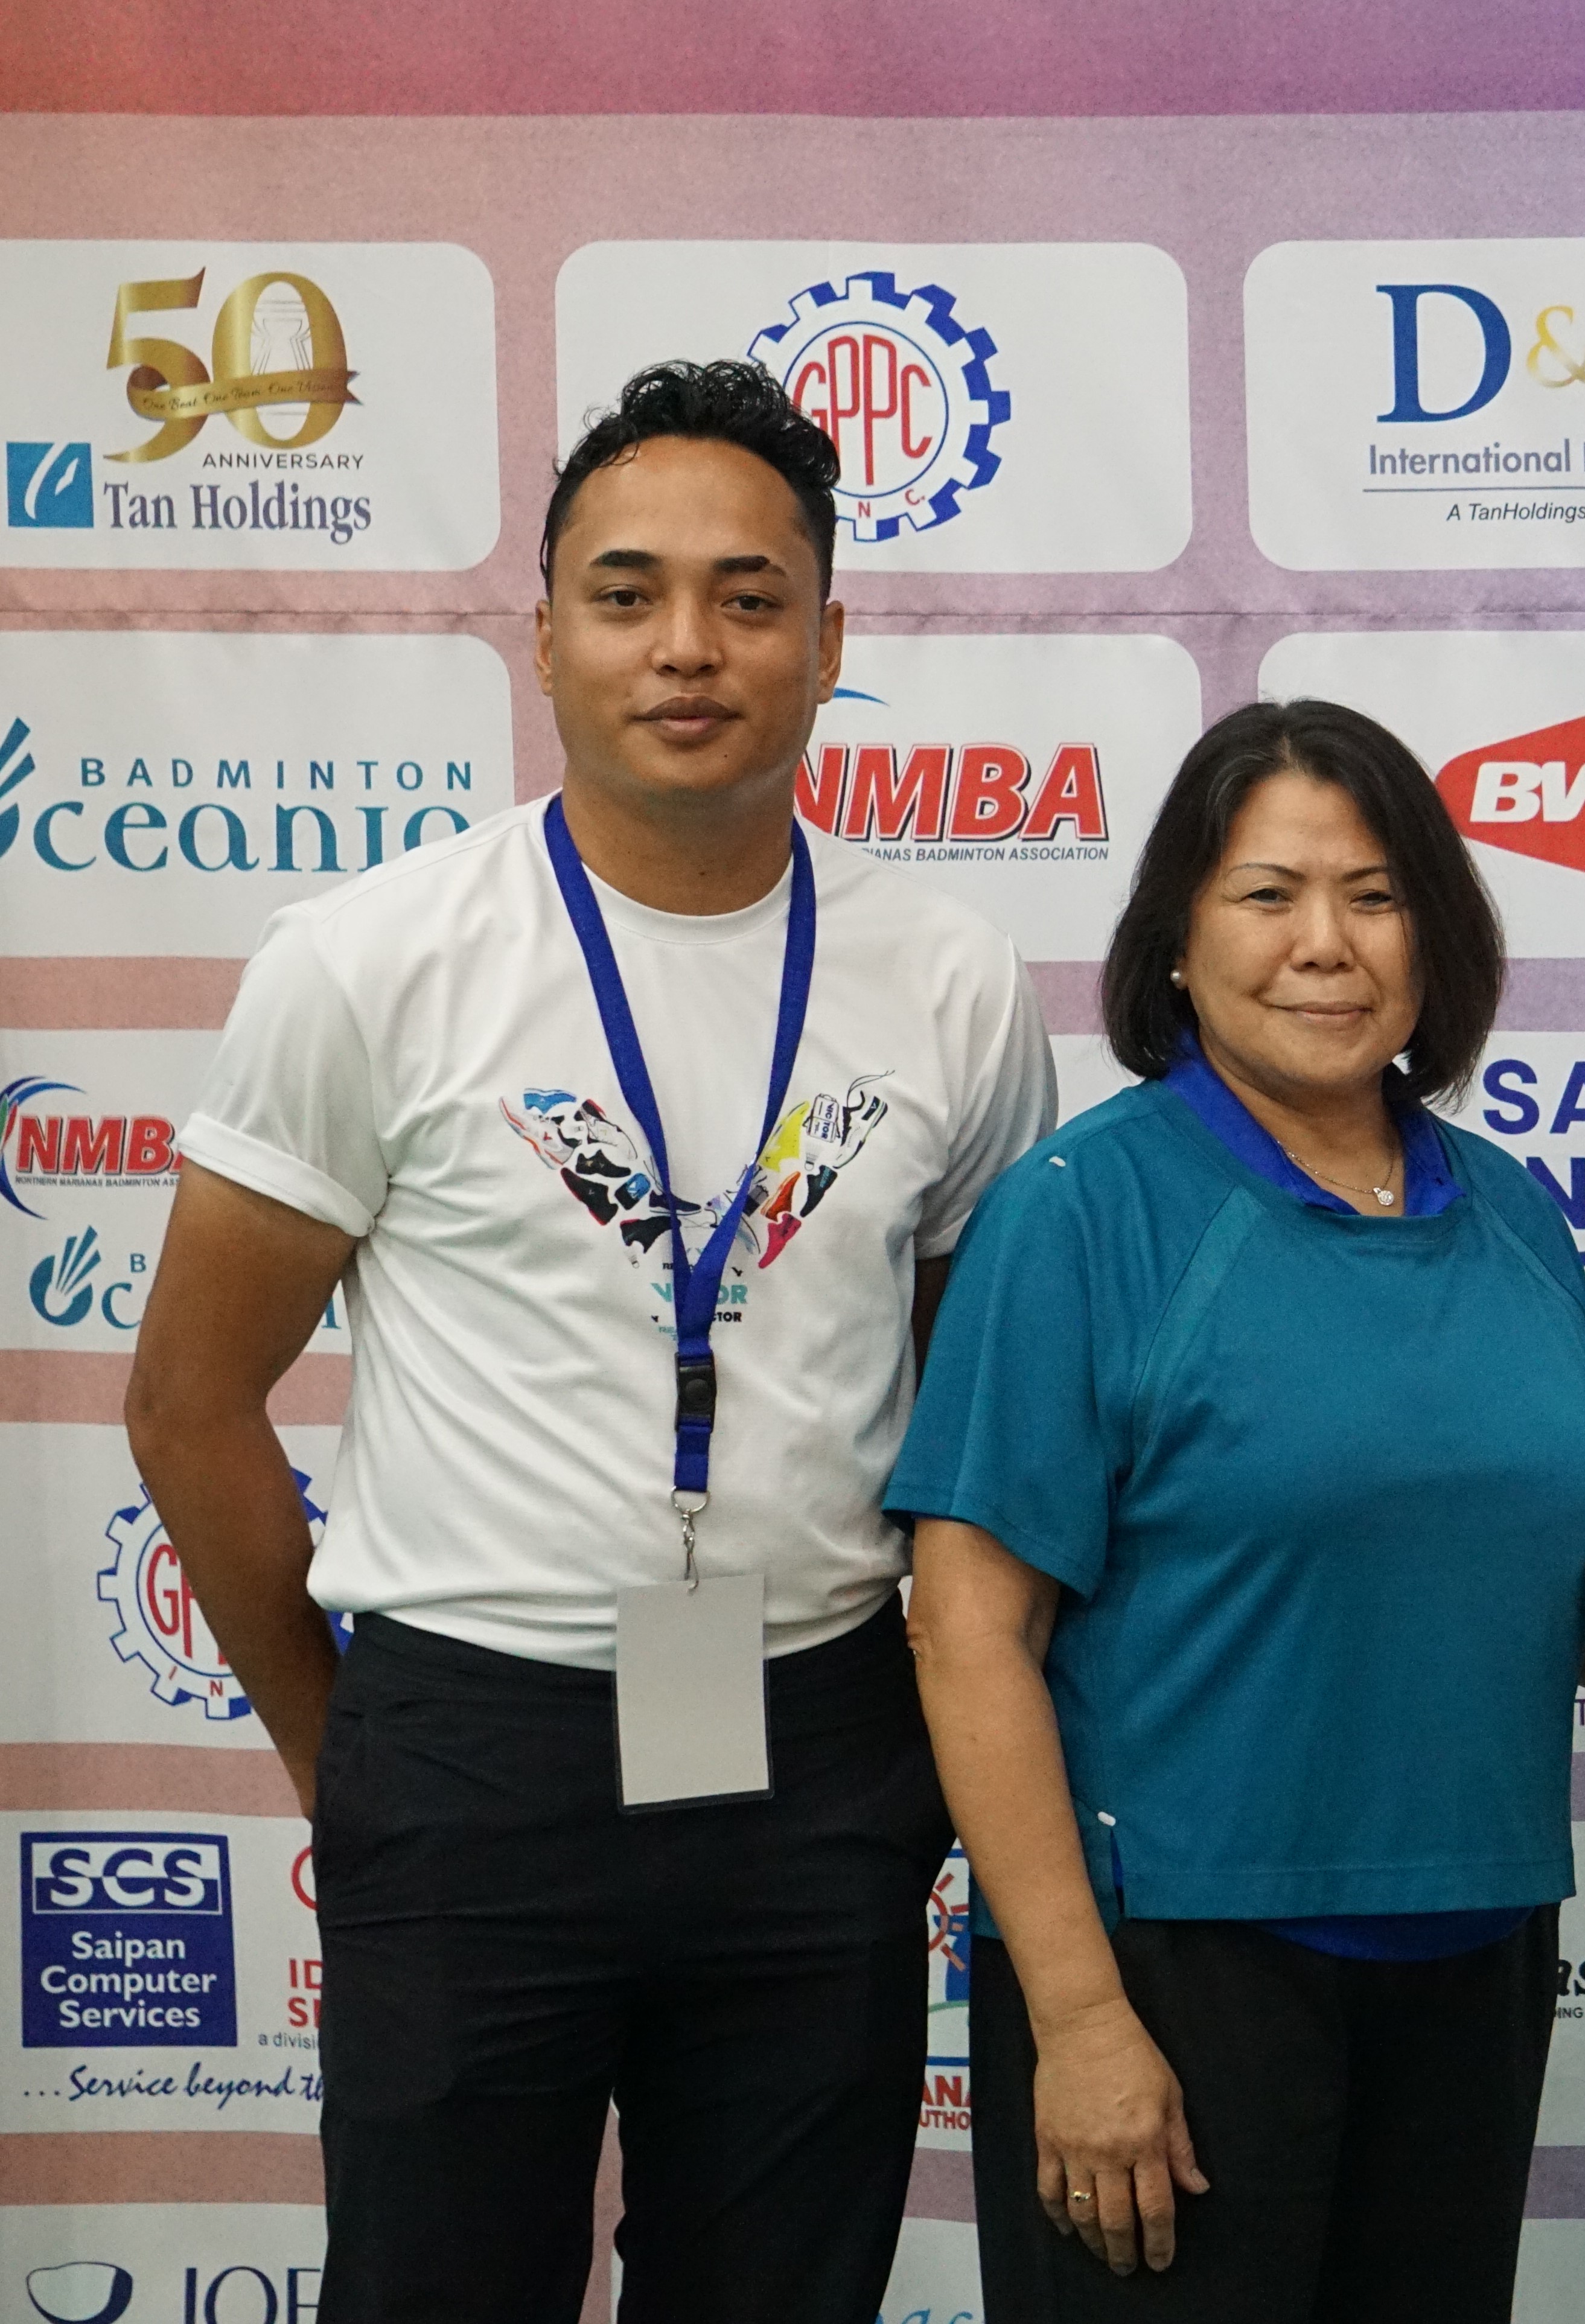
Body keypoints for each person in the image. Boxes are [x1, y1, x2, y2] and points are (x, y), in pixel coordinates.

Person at [121, 360, 1056, 2317]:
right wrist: (351, 1755)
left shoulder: (953, 984)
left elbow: (978, 1435)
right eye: (626, 594)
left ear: (829, 643)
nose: (686, 645)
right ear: (541, 636)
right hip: (474, 1750)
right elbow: (192, 1402)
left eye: (748, 596)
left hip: (817, 1754)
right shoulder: (370, 960)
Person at [890, 699, 1585, 2320]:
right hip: (1174, 1974)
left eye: (1375, 895)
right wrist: (1080, 2017)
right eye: (1268, 894)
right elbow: (969, 1632)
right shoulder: (1080, 1214)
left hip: (1478, 1946)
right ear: (1177, 939)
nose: (1325, 944)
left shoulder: (1513, 1213)